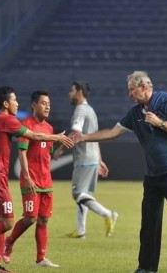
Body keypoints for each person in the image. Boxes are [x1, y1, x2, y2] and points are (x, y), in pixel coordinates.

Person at [71, 71, 167, 273]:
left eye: (132, 89)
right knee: (149, 223)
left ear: (145, 87)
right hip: (153, 175)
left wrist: (159, 123)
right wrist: (84, 137)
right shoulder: (135, 113)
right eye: (129, 90)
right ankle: (146, 268)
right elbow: (113, 132)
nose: (129, 94)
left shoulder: (165, 103)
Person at [0, 86, 74, 273]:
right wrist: (57, 137)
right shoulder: (8, 120)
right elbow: (35, 136)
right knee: (8, 223)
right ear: (6, 104)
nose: (17, 103)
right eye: (14, 100)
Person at [1, 90, 59, 268]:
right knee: (30, 218)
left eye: (48, 104)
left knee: (43, 220)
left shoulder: (49, 129)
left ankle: (41, 259)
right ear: (34, 105)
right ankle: (8, 243)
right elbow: (22, 153)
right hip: (30, 181)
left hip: (46, 182)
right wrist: (27, 177)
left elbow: (48, 156)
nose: (47, 106)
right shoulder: (26, 125)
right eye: (43, 103)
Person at [53, 81, 118, 239]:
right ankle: (81, 231)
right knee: (83, 193)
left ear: (79, 92)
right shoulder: (91, 110)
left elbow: (76, 134)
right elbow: (94, 137)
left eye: (72, 90)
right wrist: (99, 159)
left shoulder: (80, 110)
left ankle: (108, 214)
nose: (69, 94)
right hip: (92, 156)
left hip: (84, 157)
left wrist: (60, 149)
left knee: (77, 194)